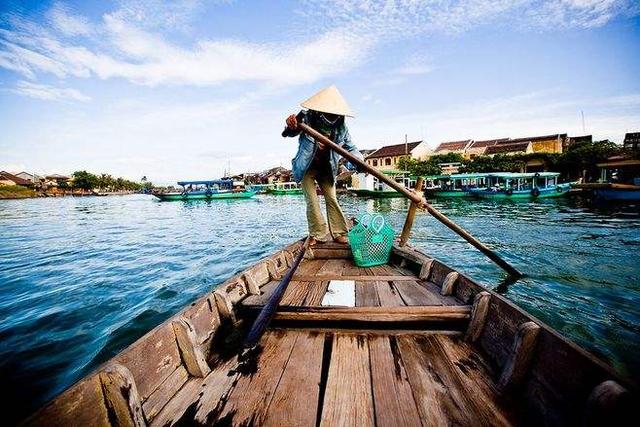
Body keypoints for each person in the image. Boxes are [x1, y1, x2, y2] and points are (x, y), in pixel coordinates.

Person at [282, 85, 363, 246]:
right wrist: (291, 125)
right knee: (312, 201)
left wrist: (360, 161)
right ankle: (317, 234)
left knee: (332, 199)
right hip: (307, 168)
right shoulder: (307, 117)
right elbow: (289, 132)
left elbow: (351, 148)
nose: (331, 116)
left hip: (327, 169)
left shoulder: (341, 128)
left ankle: (339, 233)